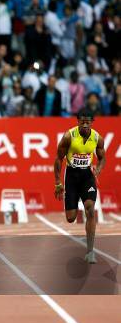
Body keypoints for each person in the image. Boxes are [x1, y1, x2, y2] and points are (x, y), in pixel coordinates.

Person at [54, 108, 106, 264]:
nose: (85, 123)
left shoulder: (97, 138)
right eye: (82, 120)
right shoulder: (69, 136)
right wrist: (58, 182)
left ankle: (90, 252)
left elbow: (102, 158)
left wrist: (98, 168)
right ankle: (74, 199)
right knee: (71, 218)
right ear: (77, 121)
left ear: (91, 122)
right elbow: (58, 159)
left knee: (90, 209)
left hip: (87, 177)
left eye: (88, 121)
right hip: (71, 176)